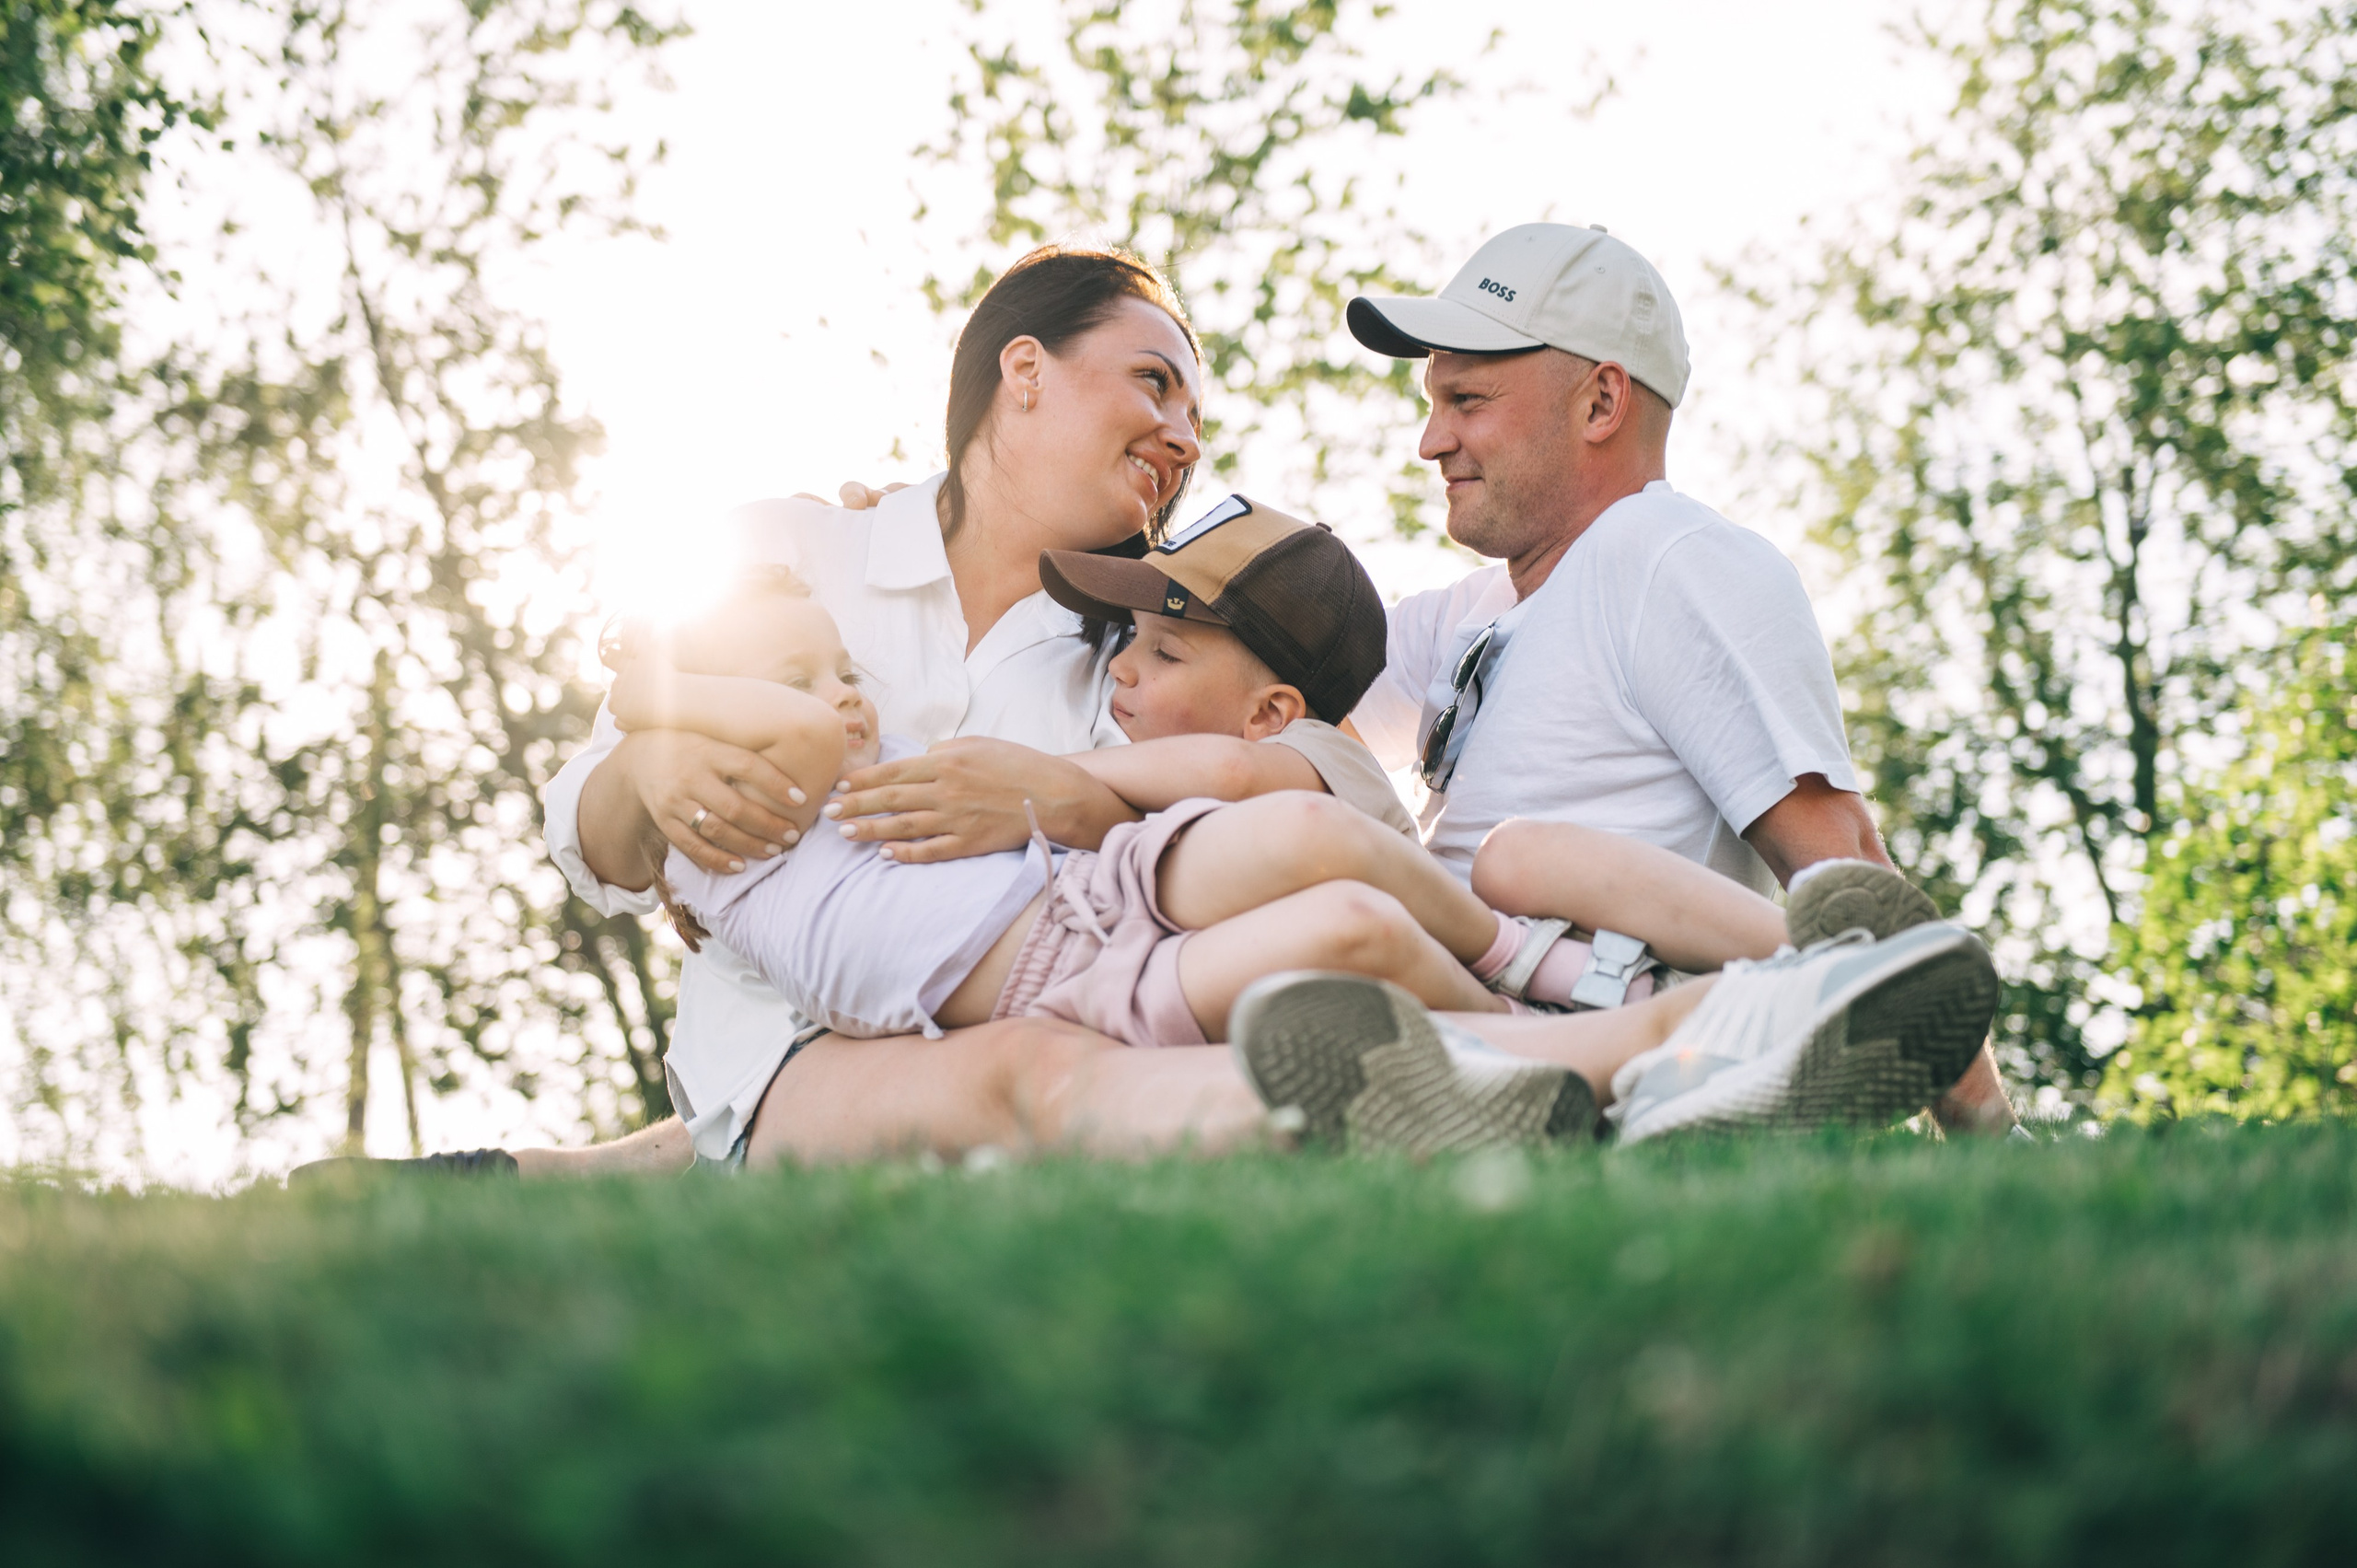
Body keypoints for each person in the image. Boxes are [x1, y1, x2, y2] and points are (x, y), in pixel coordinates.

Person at [610, 505, 1823, 1059]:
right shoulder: (1162, 767)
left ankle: (1806, 958)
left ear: (1273, 704)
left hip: (1493, 951)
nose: (1122, 672)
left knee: (1511, 860)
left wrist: (1055, 790)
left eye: (1165, 652)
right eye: (1123, 645)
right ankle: (1656, 1012)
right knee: (1434, 901)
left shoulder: (1305, 759)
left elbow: (1227, 783)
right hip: (1433, 999)